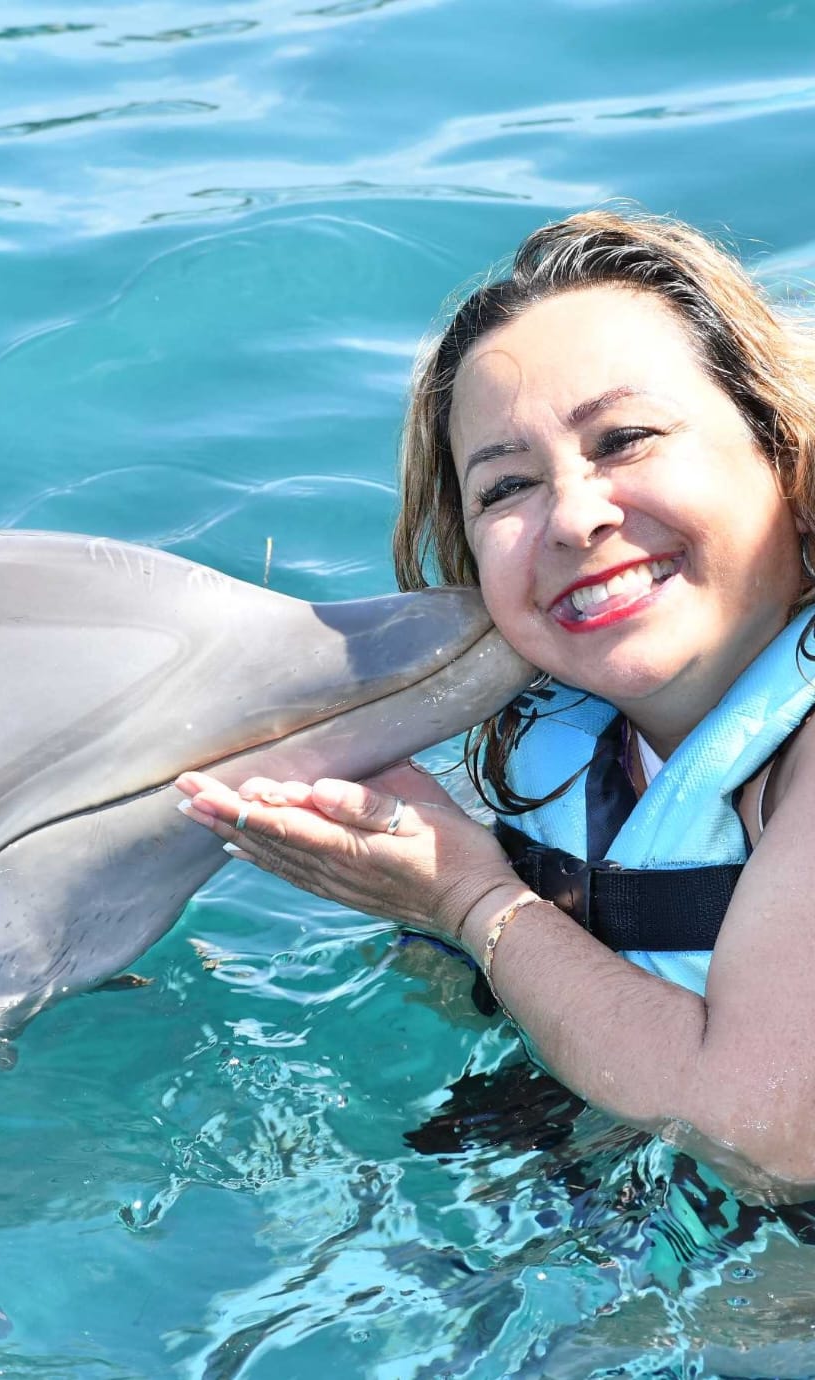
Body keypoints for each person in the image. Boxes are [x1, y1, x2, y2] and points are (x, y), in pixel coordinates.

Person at [175, 209, 815, 1199]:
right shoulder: (555, 741)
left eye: (626, 439)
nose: (572, 516)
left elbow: (766, 1137)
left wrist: (472, 902)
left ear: (780, 444)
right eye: (506, 487)